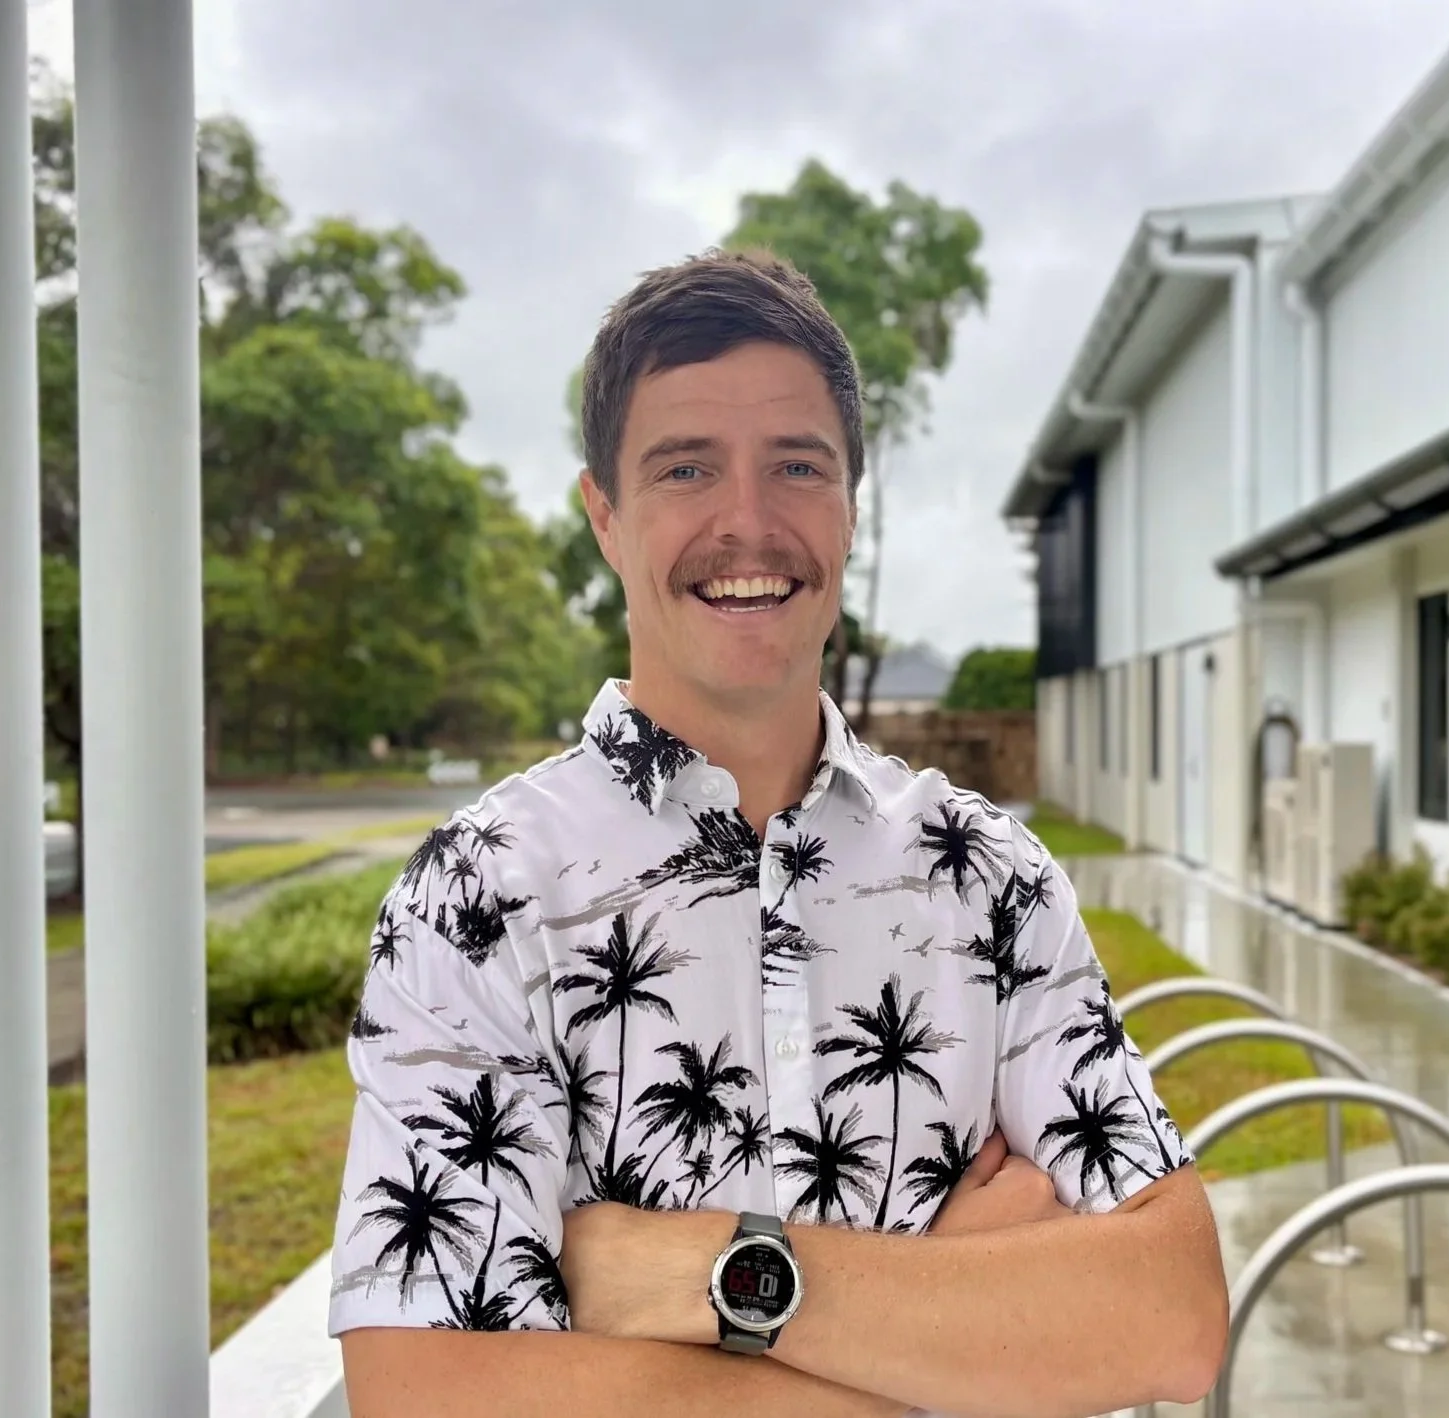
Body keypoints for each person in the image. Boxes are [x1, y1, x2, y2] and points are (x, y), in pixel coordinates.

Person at [330, 249, 1228, 1418]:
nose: (746, 522)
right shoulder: (483, 894)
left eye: (796, 466)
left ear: (850, 502)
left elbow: (1168, 1311)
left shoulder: (987, 878)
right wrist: (959, 1345)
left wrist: (702, 1276)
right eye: (685, 467)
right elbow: (423, 1390)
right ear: (605, 514)